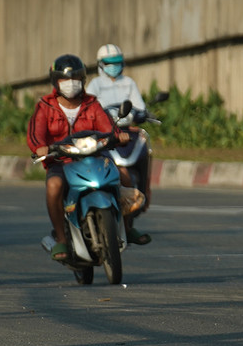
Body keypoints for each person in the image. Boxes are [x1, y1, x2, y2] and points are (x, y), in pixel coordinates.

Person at [27, 54, 124, 261]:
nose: (71, 84)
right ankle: (61, 237)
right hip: (61, 162)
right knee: (54, 185)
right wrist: (40, 148)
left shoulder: (92, 104)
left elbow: (107, 128)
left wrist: (117, 136)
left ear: (83, 80)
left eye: (76, 79)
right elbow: (36, 134)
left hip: (93, 157)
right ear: (56, 81)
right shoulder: (45, 106)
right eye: (65, 79)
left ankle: (127, 224)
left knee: (121, 174)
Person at [86, 43, 152, 244]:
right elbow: (89, 109)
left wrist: (142, 115)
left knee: (146, 145)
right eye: (109, 63)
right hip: (104, 135)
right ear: (100, 65)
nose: (114, 67)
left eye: (117, 63)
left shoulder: (129, 83)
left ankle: (146, 190)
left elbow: (139, 106)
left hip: (127, 132)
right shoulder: (95, 86)